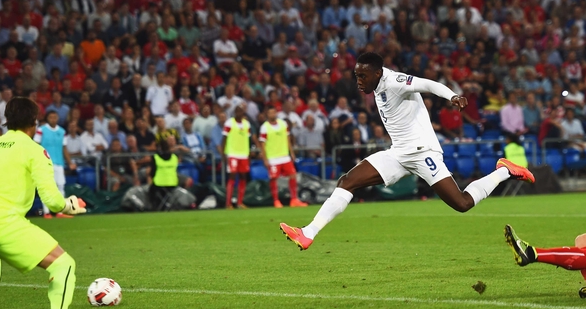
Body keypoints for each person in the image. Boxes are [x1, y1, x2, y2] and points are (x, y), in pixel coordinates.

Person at [280, 52, 535, 250]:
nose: (358, 81)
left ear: (378, 73)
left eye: (363, 76)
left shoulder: (395, 81)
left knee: (462, 203)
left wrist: (453, 97)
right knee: (347, 181)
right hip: (399, 153)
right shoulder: (376, 85)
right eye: (356, 76)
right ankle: (308, 233)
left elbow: (428, 84)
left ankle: (504, 171)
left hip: (423, 152)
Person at [0, 97, 89, 309]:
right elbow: (52, 201)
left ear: (8, 121)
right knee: (63, 264)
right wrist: (70, 205)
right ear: (34, 122)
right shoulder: (34, 150)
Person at [258, 106, 307, 209]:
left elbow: (288, 139)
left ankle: (294, 199)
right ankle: (276, 200)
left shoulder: (283, 124)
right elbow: (262, 144)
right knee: (274, 179)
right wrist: (265, 159)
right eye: (270, 113)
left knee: (293, 175)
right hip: (272, 158)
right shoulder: (264, 127)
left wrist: (291, 152)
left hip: (284, 156)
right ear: (267, 114)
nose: (272, 114)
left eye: (274, 112)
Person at [34, 110, 76, 218]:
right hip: (45, 162)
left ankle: (60, 211)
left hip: (59, 162)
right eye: (51, 117)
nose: (53, 119)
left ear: (58, 118)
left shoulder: (62, 131)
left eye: (55, 117)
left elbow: (64, 148)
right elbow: (36, 145)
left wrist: (70, 162)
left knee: (60, 186)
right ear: (47, 118)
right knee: (46, 187)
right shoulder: (41, 130)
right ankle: (46, 212)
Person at [221, 103, 252, 209]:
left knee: (243, 176)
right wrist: (223, 153)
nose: (239, 113)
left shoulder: (247, 124)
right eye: (238, 111)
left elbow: (248, 139)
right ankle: (228, 203)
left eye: (241, 111)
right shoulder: (229, 123)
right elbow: (224, 138)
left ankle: (240, 202)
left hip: (243, 154)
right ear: (235, 112)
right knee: (232, 176)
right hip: (232, 153)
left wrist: (248, 154)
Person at [149, 138, 179, 209]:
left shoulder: (155, 157)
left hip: (159, 183)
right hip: (173, 183)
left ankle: (154, 207)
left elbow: (152, 172)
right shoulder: (174, 157)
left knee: (151, 191)